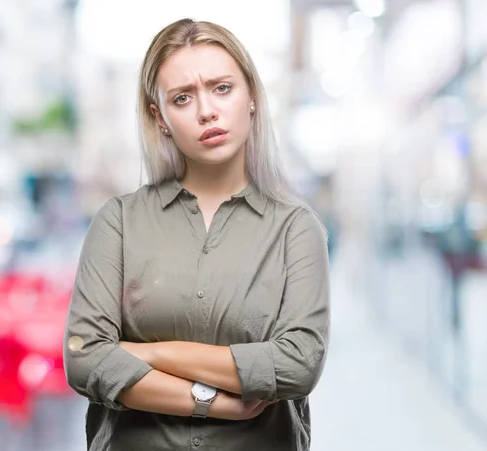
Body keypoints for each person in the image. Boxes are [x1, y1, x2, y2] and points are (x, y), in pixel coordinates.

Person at [64, 18, 330, 451]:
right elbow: (85, 358)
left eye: (222, 88)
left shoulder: (296, 229)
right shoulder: (118, 222)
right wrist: (213, 401)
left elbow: (298, 366)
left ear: (252, 98)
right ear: (161, 117)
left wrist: (148, 353)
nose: (206, 110)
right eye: (183, 98)